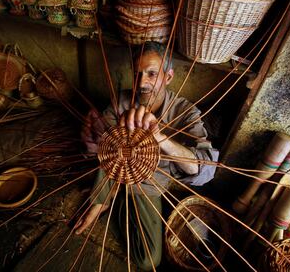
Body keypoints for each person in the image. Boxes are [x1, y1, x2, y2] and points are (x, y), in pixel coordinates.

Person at [74, 42, 219, 270]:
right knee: (111, 152)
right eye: (137, 74)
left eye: (151, 74)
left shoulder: (185, 112)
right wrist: (94, 138)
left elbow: (205, 170)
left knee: (148, 260)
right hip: (113, 172)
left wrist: (160, 138)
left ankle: (117, 201)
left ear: (168, 77)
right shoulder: (121, 100)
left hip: (148, 184)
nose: (142, 83)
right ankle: (102, 201)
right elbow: (104, 151)